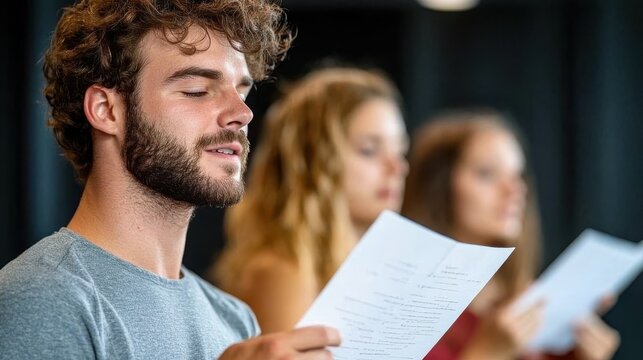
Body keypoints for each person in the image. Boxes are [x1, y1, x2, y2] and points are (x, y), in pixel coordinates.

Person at [0, 0, 342, 359]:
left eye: (241, 92)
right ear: (106, 110)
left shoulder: (235, 321)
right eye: (196, 90)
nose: (242, 114)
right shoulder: (43, 297)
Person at [401, 109, 621, 360]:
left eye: (517, 175)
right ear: (437, 187)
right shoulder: (408, 309)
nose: (513, 190)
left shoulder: (531, 305)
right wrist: (486, 353)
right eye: (487, 173)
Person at [213, 66, 410, 333]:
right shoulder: (283, 270)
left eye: (400, 150)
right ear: (313, 160)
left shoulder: (375, 267)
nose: (397, 168)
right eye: (369, 150)